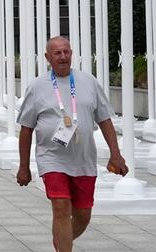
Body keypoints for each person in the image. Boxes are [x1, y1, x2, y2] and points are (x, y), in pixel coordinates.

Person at [16, 36, 129, 252]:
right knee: (60, 207)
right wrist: (23, 167)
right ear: (48, 58)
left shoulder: (89, 82)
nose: (63, 56)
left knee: (83, 215)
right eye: (57, 53)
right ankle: (64, 247)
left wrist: (116, 154)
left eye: (66, 51)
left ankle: (61, 240)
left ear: (72, 54)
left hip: (84, 159)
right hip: (52, 158)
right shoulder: (37, 87)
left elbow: (105, 120)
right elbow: (26, 128)